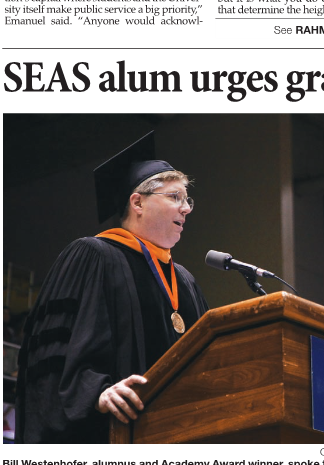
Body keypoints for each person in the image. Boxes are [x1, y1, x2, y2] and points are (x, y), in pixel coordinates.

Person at [14, 135, 207, 442]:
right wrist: (95, 392)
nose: (186, 209)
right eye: (175, 198)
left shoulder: (185, 281)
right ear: (138, 202)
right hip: (107, 441)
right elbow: (54, 350)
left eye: (187, 200)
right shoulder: (93, 255)